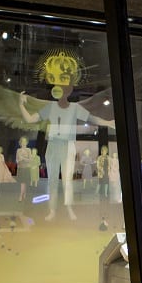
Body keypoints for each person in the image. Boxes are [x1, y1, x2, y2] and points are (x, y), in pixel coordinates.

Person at [18, 51, 115, 220]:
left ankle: (69, 209)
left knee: (67, 180)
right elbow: (30, 118)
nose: (62, 88)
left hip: (68, 145)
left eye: (66, 84)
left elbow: (92, 118)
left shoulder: (75, 108)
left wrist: (108, 122)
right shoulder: (49, 107)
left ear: (69, 88)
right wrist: (21, 105)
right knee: (52, 180)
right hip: (53, 145)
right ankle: (53, 211)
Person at [15, 136, 36, 201]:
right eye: (22, 141)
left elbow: (30, 160)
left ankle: (21, 195)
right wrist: (19, 160)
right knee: (23, 182)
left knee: (24, 182)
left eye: (25, 141)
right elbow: (16, 160)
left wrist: (23, 158)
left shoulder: (28, 150)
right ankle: (24, 193)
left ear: (27, 142)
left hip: (26, 168)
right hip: (20, 168)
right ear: (20, 142)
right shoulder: (18, 150)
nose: (23, 143)